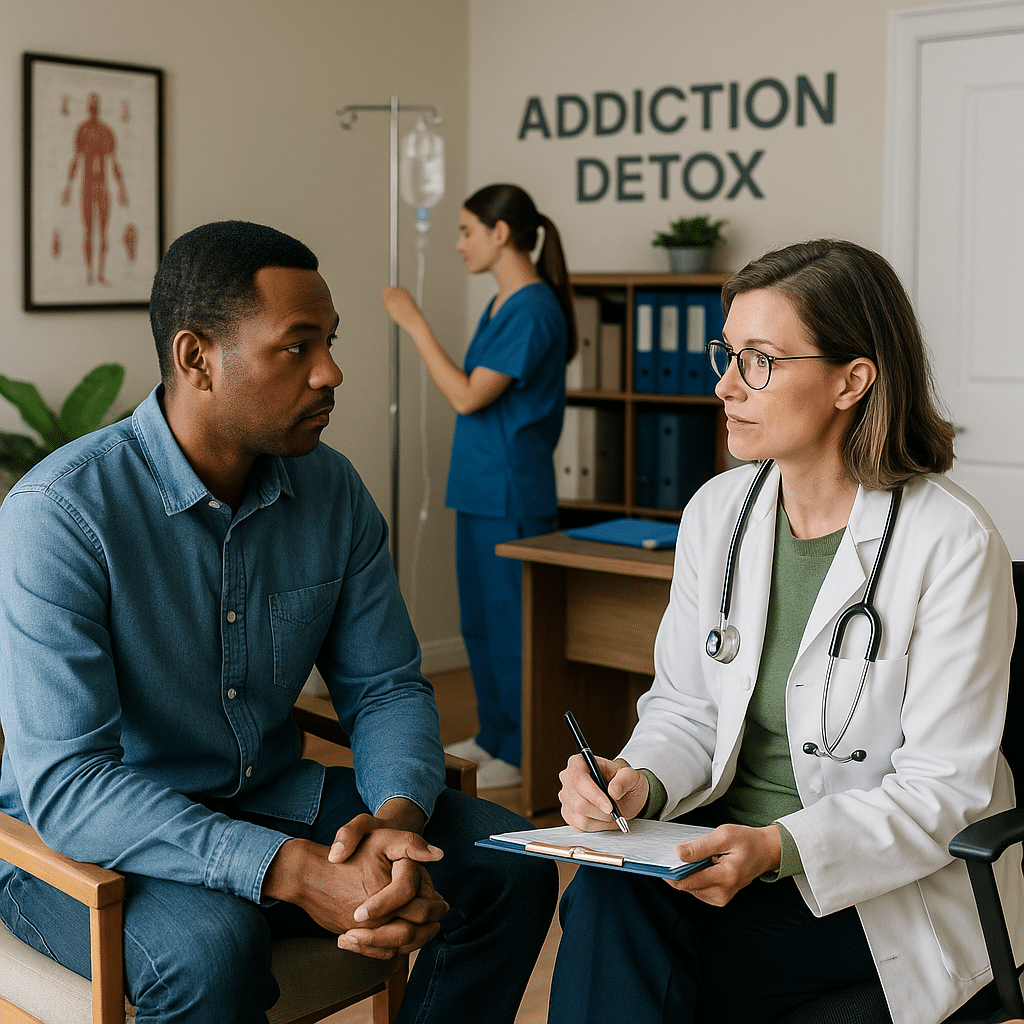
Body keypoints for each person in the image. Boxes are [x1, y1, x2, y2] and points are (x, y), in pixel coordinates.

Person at [0, 220, 557, 1024]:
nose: (331, 372)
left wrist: (394, 823)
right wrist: (293, 870)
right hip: (91, 835)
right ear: (197, 358)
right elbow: (69, 785)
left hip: (268, 794)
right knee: (213, 951)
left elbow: (387, 686)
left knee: (512, 866)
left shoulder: (333, 491)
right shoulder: (60, 514)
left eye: (330, 342)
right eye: (297, 347)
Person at [548, 238, 1023, 1024]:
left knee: (647, 957)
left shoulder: (953, 543)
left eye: (760, 360)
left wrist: (778, 848)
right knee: (607, 894)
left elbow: (943, 788)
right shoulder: (718, 513)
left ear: (851, 380)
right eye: (727, 354)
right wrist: (640, 781)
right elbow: (687, 709)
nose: (725, 385)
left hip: (873, 881)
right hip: (724, 841)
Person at [383, 183, 576, 789]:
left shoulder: (534, 309)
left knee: (512, 628)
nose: (460, 243)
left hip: (511, 493)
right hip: (478, 490)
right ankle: (494, 735)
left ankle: (520, 749)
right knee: (481, 624)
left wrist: (415, 324)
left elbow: (469, 396)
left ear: (501, 233)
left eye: (467, 231)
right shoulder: (502, 304)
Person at [61, 90, 128, 286]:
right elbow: (76, 159)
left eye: (96, 104)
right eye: (91, 105)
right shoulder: (82, 130)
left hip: (103, 187)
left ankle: (101, 274)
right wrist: (68, 187)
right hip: (87, 187)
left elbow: (114, 161)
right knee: (89, 230)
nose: (93, 108)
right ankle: (90, 273)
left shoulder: (107, 131)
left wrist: (122, 188)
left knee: (104, 231)